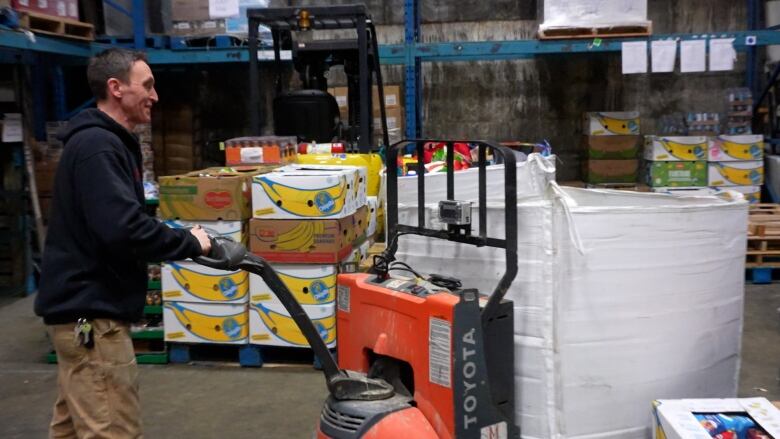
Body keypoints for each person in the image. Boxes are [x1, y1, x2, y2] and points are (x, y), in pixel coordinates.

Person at [34, 48, 211, 438]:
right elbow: (124, 229)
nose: (155, 95)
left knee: (70, 430)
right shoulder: (98, 146)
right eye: (147, 85)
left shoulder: (102, 142)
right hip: (93, 323)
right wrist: (190, 243)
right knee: (113, 431)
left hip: (81, 319)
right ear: (116, 88)